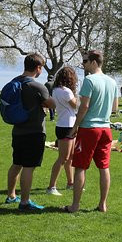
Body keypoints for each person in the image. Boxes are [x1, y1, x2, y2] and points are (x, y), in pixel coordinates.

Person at [65, 50, 119, 213]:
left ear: (94, 62)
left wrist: (74, 128)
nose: (84, 64)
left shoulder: (89, 80)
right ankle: (102, 204)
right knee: (104, 167)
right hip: (106, 129)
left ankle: (75, 205)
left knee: (80, 166)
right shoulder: (112, 82)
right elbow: (115, 108)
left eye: (85, 61)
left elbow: (84, 107)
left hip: (89, 129)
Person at [4, 54, 55, 212]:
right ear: (38, 68)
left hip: (18, 130)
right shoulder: (37, 86)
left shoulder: (14, 82)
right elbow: (52, 104)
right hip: (34, 132)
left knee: (16, 163)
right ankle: (25, 202)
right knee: (29, 167)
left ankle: (11, 195)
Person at [46, 66, 80, 196]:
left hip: (65, 124)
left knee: (70, 157)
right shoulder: (66, 91)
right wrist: (79, 97)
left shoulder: (55, 90)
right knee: (63, 158)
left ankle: (70, 183)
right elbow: (75, 105)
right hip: (66, 126)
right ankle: (51, 187)